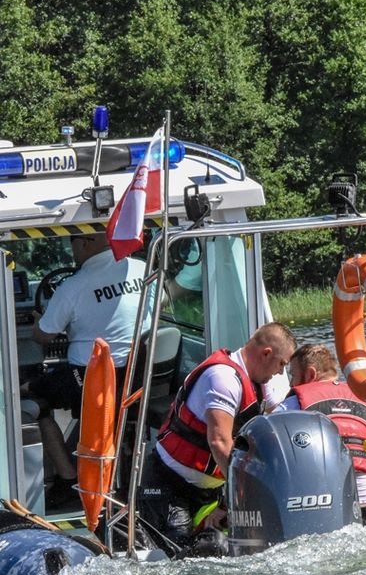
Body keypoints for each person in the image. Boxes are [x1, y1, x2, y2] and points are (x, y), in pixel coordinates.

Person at [140, 322, 297, 549]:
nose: (281, 372)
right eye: (281, 364)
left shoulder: (260, 382)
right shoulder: (223, 378)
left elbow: (284, 419)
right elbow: (220, 442)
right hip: (170, 488)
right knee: (183, 560)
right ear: (266, 354)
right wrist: (243, 497)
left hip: (208, 492)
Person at [27, 233, 150, 508]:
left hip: (90, 382)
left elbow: (44, 335)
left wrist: (38, 321)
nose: (72, 251)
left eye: (72, 243)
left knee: (34, 398)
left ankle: (67, 478)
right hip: (141, 379)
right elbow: (160, 305)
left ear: (84, 244)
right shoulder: (143, 269)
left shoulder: (73, 286)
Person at [272, 343, 366, 522]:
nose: (291, 382)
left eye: (292, 375)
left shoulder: (292, 405)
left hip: (321, 504)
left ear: (310, 374)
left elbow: (266, 442)